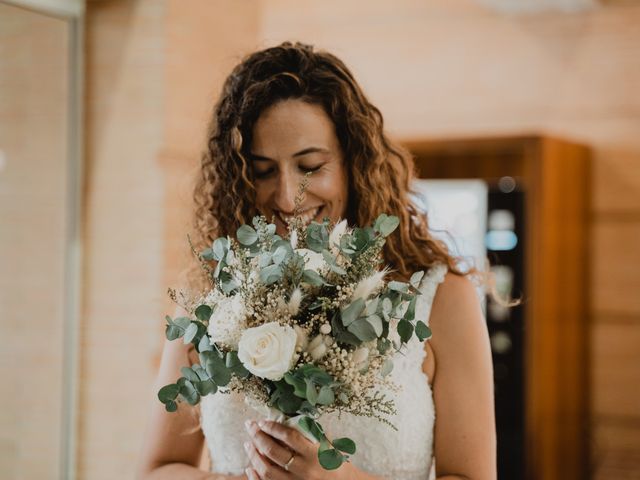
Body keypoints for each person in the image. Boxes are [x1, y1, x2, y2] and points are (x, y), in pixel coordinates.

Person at [136, 41, 501, 480]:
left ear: (354, 163)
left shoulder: (441, 299)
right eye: (263, 171)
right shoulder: (210, 296)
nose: (288, 197)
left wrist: (339, 478)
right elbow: (159, 469)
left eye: (310, 166)